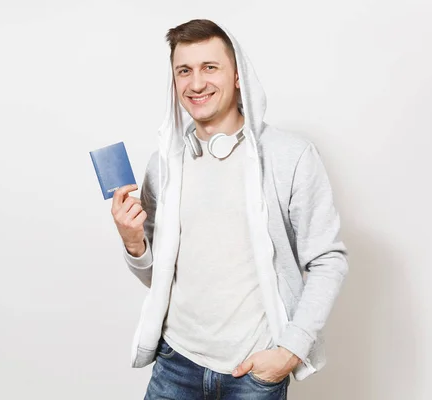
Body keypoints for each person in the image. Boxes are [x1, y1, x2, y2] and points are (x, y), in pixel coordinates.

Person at [111, 19, 349, 400]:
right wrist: (133, 243)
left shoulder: (290, 156)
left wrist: (289, 351)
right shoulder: (164, 165)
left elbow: (327, 261)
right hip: (176, 363)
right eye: (184, 71)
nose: (196, 83)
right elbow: (158, 276)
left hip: (254, 372)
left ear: (238, 76)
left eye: (210, 67)